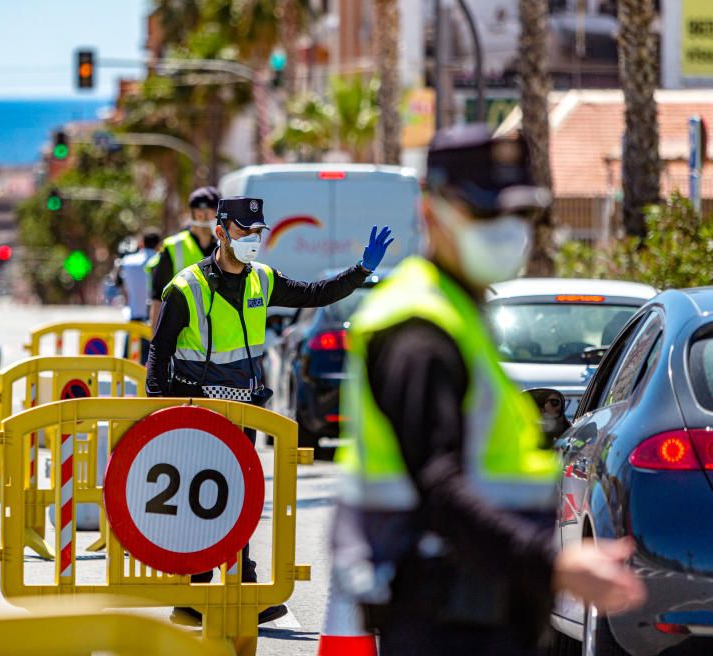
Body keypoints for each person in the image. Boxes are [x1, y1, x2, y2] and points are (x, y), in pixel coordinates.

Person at [327, 125, 645, 655]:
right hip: (443, 617)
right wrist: (556, 562)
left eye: (518, 214)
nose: (505, 230)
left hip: (480, 611)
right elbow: (438, 483)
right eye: (484, 213)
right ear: (432, 213)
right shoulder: (417, 329)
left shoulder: (460, 315)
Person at [147, 195, 394, 625]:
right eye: (244, 231)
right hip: (199, 413)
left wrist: (361, 271)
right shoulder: (187, 286)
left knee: (236, 500)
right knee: (203, 501)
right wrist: (160, 414)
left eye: (258, 233)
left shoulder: (262, 278)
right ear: (221, 231)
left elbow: (314, 294)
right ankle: (197, 593)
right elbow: (159, 352)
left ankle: (232, 587)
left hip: (245, 413)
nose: (253, 241)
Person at [147, 186, 220, 327]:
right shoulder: (174, 247)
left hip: (217, 337)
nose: (220, 217)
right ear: (200, 214)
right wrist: (155, 343)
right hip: (182, 338)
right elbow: (157, 299)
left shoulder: (223, 247)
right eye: (216, 212)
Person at [114, 228, 162, 323]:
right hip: (155, 319)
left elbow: (118, 282)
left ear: (142, 243)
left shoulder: (127, 261)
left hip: (134, 318)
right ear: (159, 245)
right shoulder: (162, 261)